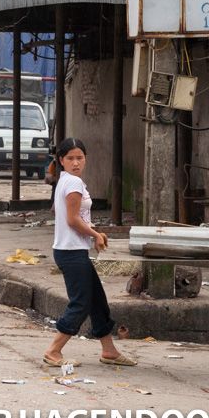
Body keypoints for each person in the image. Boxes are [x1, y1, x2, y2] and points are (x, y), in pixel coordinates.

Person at [42, 138, 136, 368]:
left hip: (72, 249)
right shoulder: (72, 182)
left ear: (85, 159)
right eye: (70, 158)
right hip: (71, 251)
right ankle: (54, 351)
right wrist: (94, 235)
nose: (76, 163)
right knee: (81, 302)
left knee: (97, 301)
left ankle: (109, 351)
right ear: (61, 160)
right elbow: (72, 219)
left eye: (80, 158)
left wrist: (92, 234)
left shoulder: (66, 181)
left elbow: (71, 217)